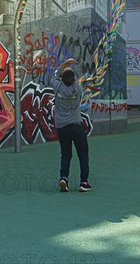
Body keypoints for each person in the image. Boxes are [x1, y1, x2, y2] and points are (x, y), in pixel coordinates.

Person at [51, 58, 92, 193]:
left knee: (66, 154)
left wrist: (64, 65)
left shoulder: (57, 87)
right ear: (74, 79)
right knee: (83, 153)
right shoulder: (78, 89)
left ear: (62, 79)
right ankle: (84, 182)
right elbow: (69, 79)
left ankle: (64, 178)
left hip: (62, 127)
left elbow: (55, 74)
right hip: (76, 124)